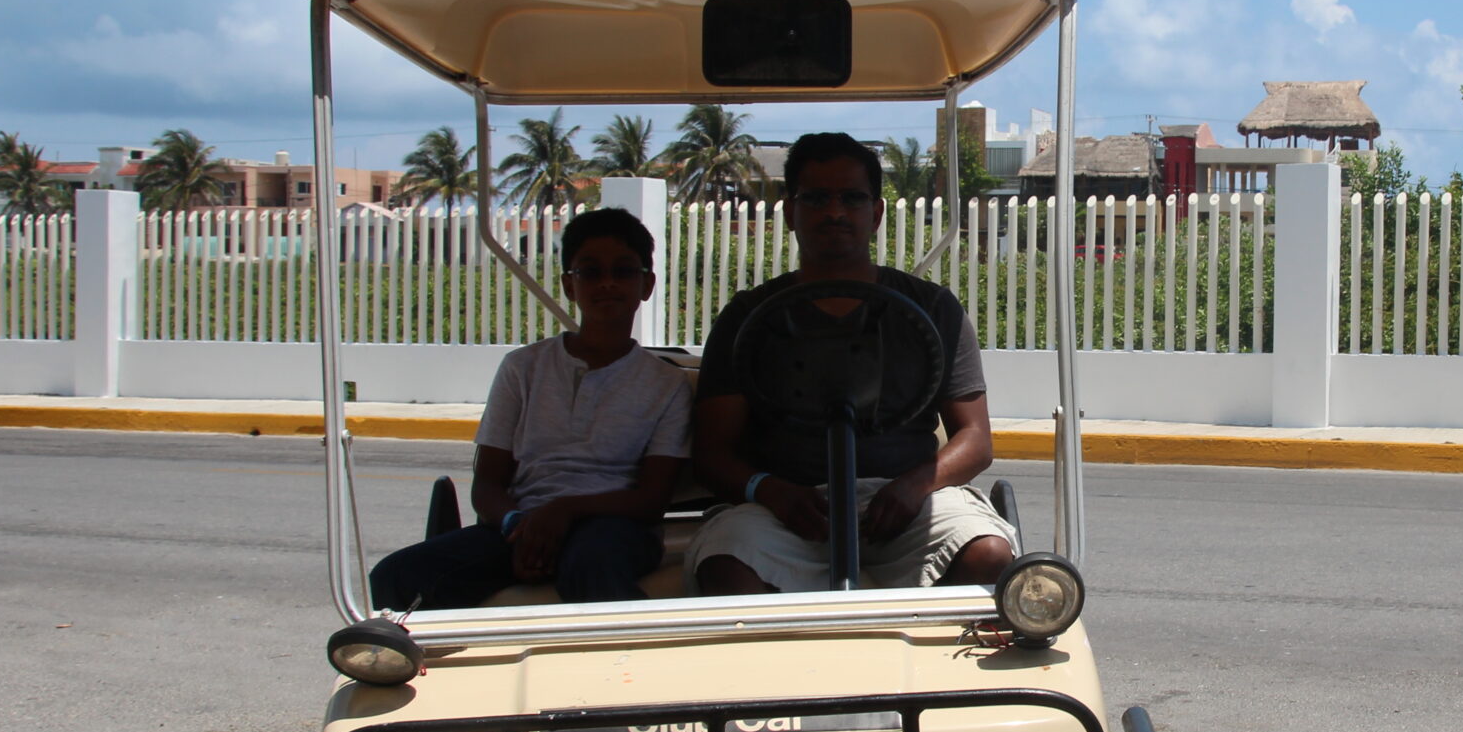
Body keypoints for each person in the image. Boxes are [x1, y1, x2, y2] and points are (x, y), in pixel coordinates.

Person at [690, 132, 1016, 594]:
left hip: (908, 502)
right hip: (787, 511)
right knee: (725, 570)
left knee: (989, 556)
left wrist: (913, 486)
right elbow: (712, 452)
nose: (835, 212)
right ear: (790, 212)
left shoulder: (933, 308)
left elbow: (976, 440)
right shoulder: (748, 317)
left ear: (876, 213)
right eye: (817, 198)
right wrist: (771, 491)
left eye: (852, 198)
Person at [368, 207, 691, 611]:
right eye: (590, 272)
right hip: (520, 525)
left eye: (623, 271)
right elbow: (487, 484)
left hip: (615, 527)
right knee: (395, 576)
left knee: (589, 565)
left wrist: (564, 511)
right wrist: (520, 526)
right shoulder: (523, 368)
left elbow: (650, 499)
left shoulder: (667, 385)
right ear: (569, 286)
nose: (607, 283)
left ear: (647, 284)